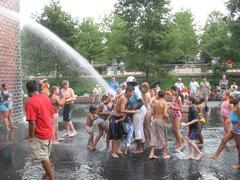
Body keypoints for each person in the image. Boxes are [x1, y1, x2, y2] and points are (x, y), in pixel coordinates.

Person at [25, 80, 55, 180]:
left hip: (40, 135)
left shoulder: (31, 102)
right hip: (48, 132)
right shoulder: (46, 98)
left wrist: (30, 135)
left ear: (28, 91)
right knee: (44, 157)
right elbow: (51, 115)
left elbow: (32, 122)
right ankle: (46, 176)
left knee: (43, 158)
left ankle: (51, 177)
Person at [210, 95, 240, 168]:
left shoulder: (238, 107)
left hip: (238, 129)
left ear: (234, 99)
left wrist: (236, 127)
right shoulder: (233, 106)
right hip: (233, 128)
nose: (228, 99)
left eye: (230, 98)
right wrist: (229, 120)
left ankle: (239, 163)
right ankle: (216, 155)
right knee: (224, 140)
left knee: (238, 147)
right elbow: (234, 117)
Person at [109, 85, 139, 158]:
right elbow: (122, 110)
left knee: (119, 135)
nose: (132, 94)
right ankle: (113, 152)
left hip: (119, 117)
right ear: (128, 91)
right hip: (115, 117)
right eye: (132, 93)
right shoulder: (123, 98)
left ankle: (117, 150)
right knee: (115, 136)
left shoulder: (125, 98)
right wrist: (133, 111)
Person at [126, 76, 147, 153]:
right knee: (140, 128)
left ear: (130, 83)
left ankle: (139, 148)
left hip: (139, 111)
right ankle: (141, 146)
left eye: (128, 83)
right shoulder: (134, 89)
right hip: (140, 111)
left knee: (137, 129)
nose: (127, 85)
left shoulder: (135, 90)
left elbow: (142, 102)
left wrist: (134, 110)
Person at [148, 90, 170, 160]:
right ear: (164, 96)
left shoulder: (155, 103)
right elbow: (165, 114)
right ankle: (165, 154)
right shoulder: (164, 103)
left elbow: (152, 113)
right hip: (161, 120)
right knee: (163, 136)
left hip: (154, 120)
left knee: (154, 136)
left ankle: (151, 154)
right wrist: (168, 119)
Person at [171, 85, 184, 151]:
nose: (171, 92)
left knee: (176, 129)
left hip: (178, 114)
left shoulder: (179, 98)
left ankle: (181, 144)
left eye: (172, 91)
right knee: (173, 129)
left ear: (176, 91)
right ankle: (178, 141)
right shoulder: (173, 97)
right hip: (173, 114)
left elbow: (181, 109)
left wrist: (173, 107)